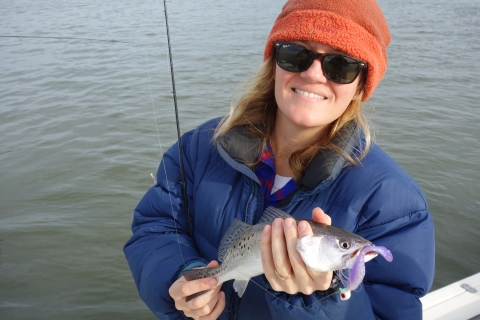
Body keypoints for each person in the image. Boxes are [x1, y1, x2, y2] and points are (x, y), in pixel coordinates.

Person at [124, 0, 435, 319]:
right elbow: (156, 225)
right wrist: (179, 275)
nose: (314, 74)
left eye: (341, 65)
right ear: (274, 62)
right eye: (296, 53)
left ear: (359, 86)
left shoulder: (395, 205)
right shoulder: (198, 147)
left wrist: (321, 300)